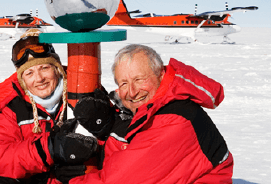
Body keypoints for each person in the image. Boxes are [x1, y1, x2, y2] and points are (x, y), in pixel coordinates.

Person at [63, 44, 234, 184]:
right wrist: (109, 128)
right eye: (123, 83)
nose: (132, 92)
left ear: (161, 74)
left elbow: (119, 180)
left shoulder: (175, 119)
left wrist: (66, 180)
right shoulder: (149, 110)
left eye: (139, 79)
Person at [0, 29, 102, 184]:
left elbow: (111, 141)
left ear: (57, 69)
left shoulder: (82, 90)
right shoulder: (11, 107)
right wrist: (49, 149)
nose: (39, 79)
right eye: (29, 73)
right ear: (22, 79)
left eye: (44, 68)